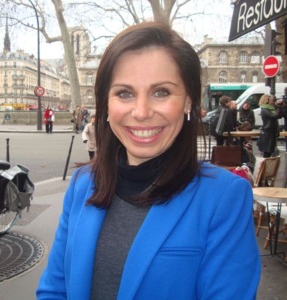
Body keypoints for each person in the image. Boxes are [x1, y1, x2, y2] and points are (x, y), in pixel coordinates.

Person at [37, 22, 260, 299]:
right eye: (125, 93)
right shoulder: (82, 185)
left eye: (161, 92)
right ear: (105, 104)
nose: (141, 112)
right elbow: (55, 288)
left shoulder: (224, 197)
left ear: (189, 101)